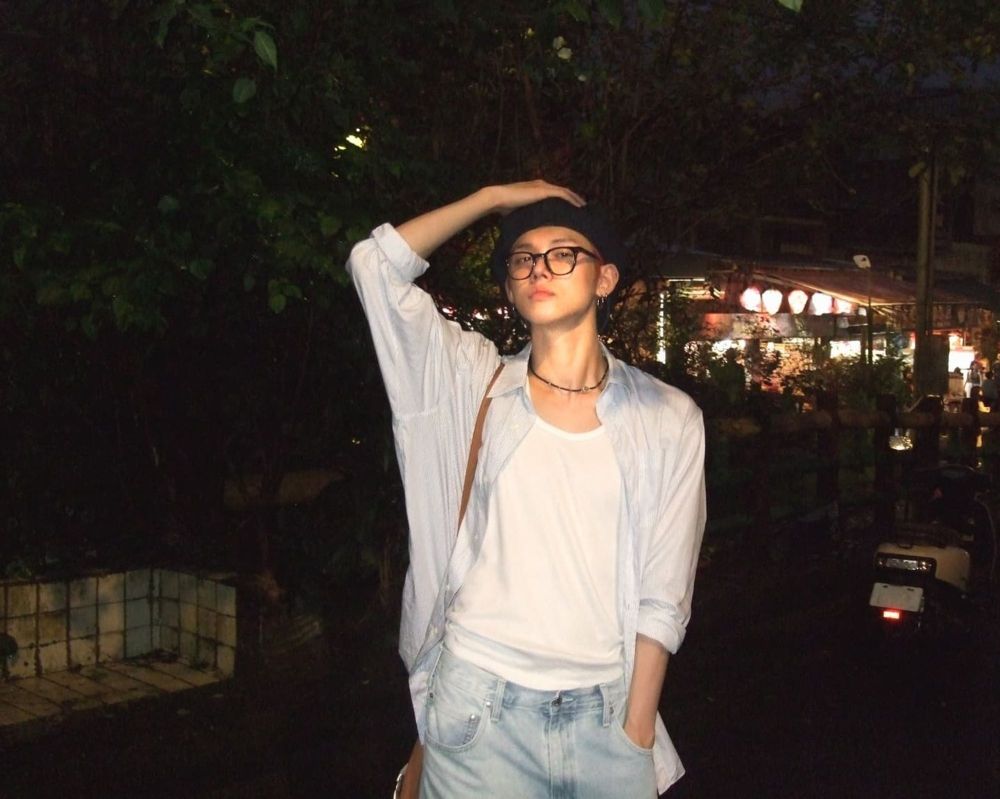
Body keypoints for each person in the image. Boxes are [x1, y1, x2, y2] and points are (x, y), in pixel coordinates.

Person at [347, 180, 706, 798]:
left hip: (607, 720)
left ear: (605, 279)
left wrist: (637, 729)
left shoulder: (667, 417)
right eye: (523, 258)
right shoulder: (470, 384)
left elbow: (663, 591)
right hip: (478, 713)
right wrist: (490, 198)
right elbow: (374, 266)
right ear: (512, 288)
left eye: (563, 253)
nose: (540, 268)